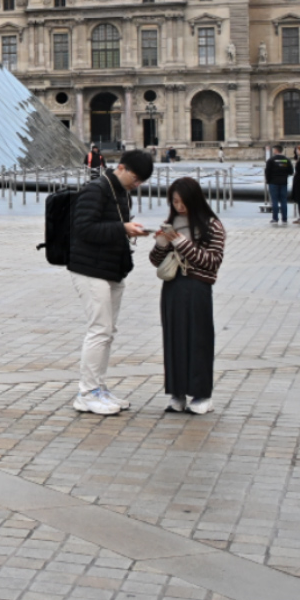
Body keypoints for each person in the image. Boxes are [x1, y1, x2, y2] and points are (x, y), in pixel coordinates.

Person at [68, 148, 155, 416]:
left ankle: (98, 387)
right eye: (136, 178)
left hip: (111, 268)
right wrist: (122, 228)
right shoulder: (96, 189)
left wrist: (130, 230)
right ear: (122, 168)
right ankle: (86, 393)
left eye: (141, 182)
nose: (137, 184)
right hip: (89, 268)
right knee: (99, 329)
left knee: (107, 331)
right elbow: (83, 228)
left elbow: (111, 227)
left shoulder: (121, 192)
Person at [150, 175, 225, 416]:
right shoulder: (171, 222)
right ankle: (177, 393)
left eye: (183, 202)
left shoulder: (212, 225)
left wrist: (183, 244)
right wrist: (161, 244)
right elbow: (156, 261)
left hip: (198, 287)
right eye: (175, 202)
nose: (179, 207)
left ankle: (202, 395)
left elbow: (212, 261)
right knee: (174, 339)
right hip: (173, 286)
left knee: (198, 339)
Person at [263, 145, 292, 225]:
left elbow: (267, 172)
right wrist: (284, 176)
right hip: (283, 182)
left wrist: (268, 180)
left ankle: (275, 218)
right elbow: (291, 171)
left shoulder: (271, 160)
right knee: (284, 201)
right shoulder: (286, 160)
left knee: (274, 201)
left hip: (273, 182)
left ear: (276, 150)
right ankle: (284, 219)